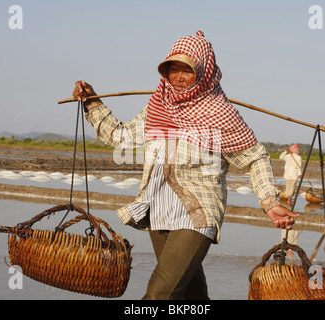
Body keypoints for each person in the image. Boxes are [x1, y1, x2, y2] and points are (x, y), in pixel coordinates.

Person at [72, 31, 298, 300]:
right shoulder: (158, 105)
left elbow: (255, 157)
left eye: (187, 70)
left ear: (204, 72)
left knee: (160, 293)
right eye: (173, 69)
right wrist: (93, 102)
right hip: (158, 208)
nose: (178, 77)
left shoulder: (219, 112)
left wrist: (269, 202)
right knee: (191, 295)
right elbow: (120, 136)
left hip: (198, 212)